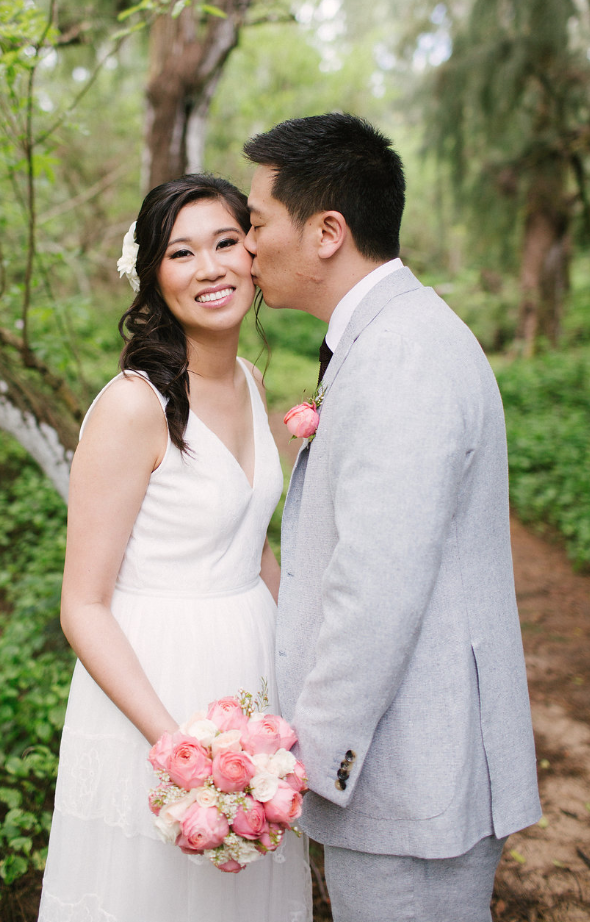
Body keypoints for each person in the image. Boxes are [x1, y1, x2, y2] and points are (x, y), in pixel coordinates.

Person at [243, 113, 541, 922]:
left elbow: (375, 588)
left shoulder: (400, 354)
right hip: (406, 761)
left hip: (409, 771)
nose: (246, 244)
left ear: (327, 231)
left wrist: (305, 764)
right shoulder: (390, 337)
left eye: (257, 221)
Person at [38, 174, 312, 922]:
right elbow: (83, 605)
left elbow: (252, 548)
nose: (212, 268)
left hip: (251, 669)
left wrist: (308, 658)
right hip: (156, 685)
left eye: (227, 242)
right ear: (154, 277)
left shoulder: (253, 381)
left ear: (254, 253)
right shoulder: (133, 406)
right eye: (182, 253)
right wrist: (180, 749)